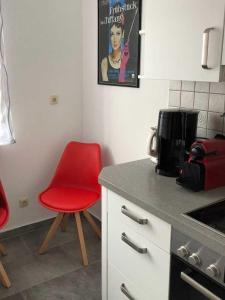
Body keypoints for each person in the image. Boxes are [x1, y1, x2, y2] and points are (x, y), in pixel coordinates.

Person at [101, 10, 130, 83]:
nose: (114, 39)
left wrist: (123, 64)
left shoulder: (128, 59)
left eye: (118, 33)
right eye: (112, 34)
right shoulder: (105, 62)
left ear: (122, 34)